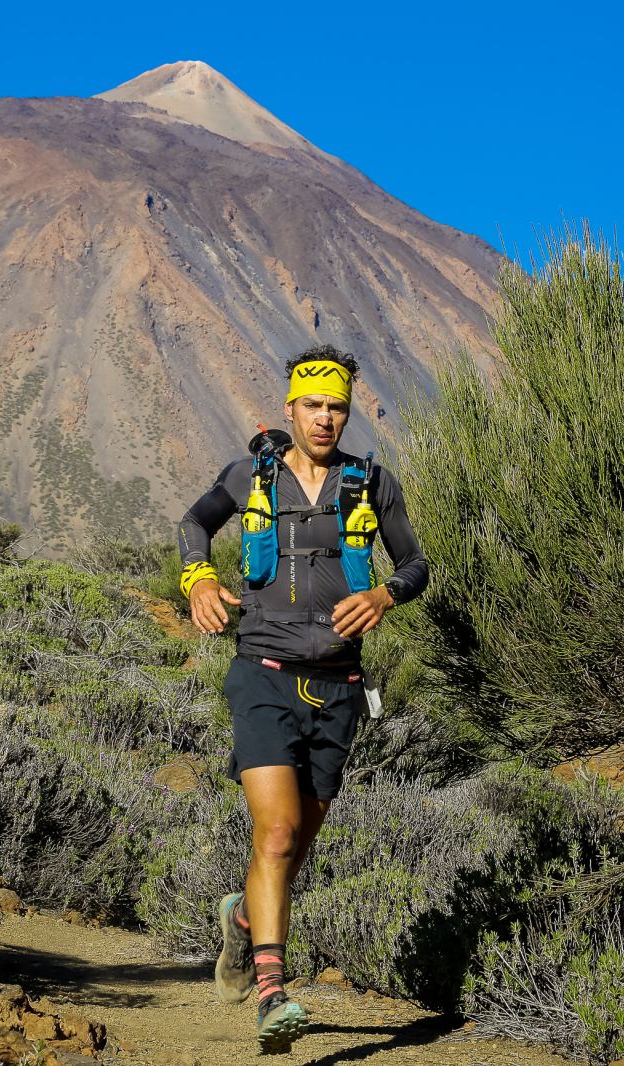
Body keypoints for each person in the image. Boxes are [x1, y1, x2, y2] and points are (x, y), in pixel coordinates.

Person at [176, 344, 429, 1053]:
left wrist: (384, 593)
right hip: (261, 674)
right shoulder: (250, 474)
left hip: (340, 688)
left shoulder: (371, 483)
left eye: (337, 406)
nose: (325, 418)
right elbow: (193, 524)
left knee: (293, 850)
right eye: (313, 405)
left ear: (349, 412)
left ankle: (241, 923)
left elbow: (415, 564)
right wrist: (197, 579)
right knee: (278, 834)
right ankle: (272, 995)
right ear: (289, 407)